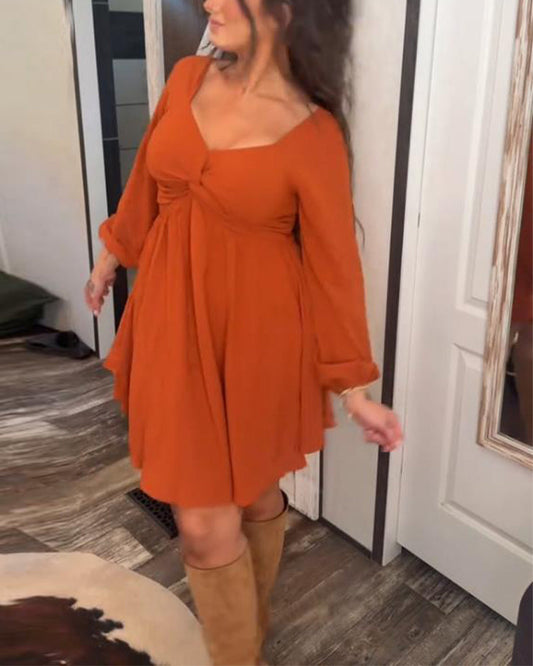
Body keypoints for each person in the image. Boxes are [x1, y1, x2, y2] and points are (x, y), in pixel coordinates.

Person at [84, 1, 404, 664]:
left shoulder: (313, 133)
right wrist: (113, 252)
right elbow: (145, 183)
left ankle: (240, 648)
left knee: (252, 492)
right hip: (173, 324)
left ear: (288, 10)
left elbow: (334, 269)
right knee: (205, 521)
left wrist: (354, 389)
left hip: (260, 341)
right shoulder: (186, 78)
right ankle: (246, 644)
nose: (210, 2)